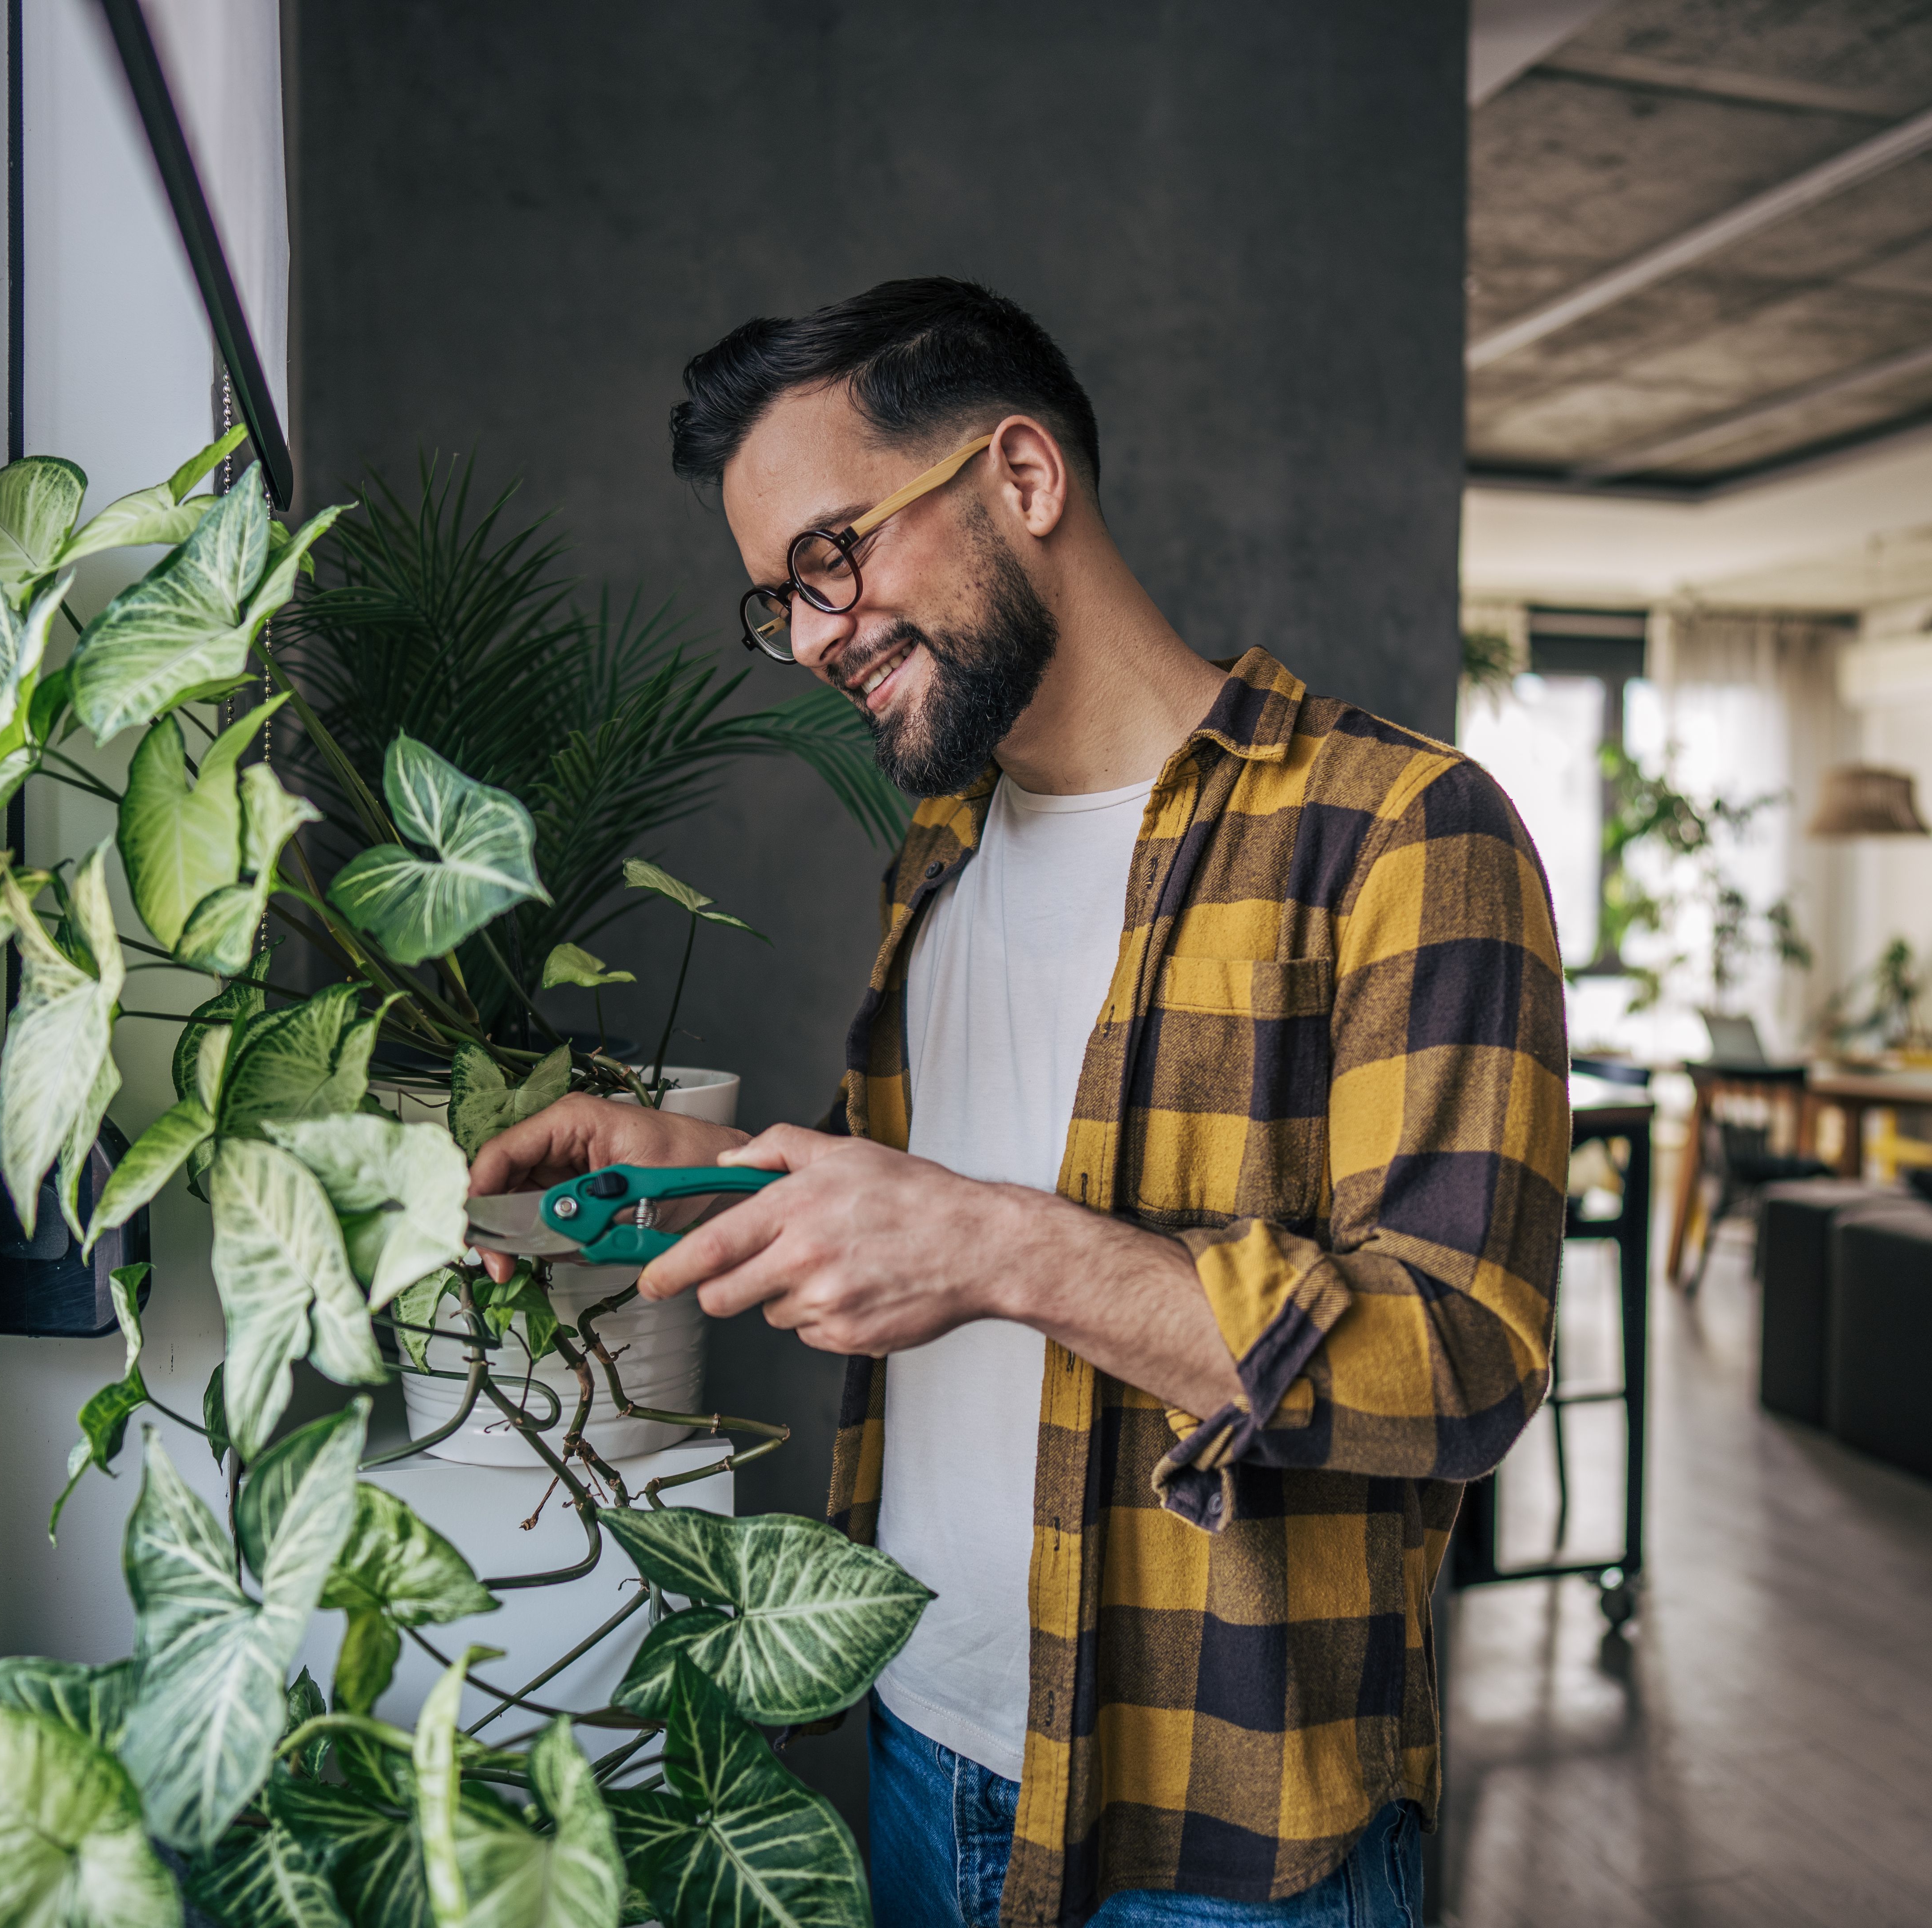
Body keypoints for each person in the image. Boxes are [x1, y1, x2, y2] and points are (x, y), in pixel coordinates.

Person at [469, 278, 1568, 1928]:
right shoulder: (944, 849)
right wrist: (695, 1171)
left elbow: (1463, 1363)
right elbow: (918, 1214)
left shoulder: (1403, 830)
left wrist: (1000, 1248)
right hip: (924, 1742)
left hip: (1229, 1835)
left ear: (1024, 479)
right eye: (780, 601)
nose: (817, 638)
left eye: (834, 557)